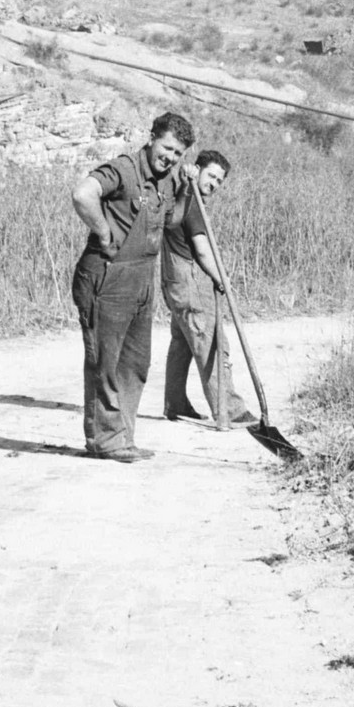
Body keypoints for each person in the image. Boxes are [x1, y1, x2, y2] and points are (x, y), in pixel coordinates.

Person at [69, 111, 195, 462]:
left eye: (178, 153)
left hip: (142, 277)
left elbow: (172, 221)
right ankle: (104, 440)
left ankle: (121, 438)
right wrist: (104, 232)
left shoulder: (168, 179)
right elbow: (83, 194)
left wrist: (186, 188)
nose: (169, 157)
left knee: (135, 362)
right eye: (167, 147)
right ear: (152, 137)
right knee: (104, 362)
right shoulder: (124, 168)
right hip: (108, 275)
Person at [161, 149, 258, 426]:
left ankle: (175, 403)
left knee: (182, 342)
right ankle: (229, 409)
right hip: (189, 281)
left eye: (219, 181)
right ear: (198, 169)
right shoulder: (192, 203)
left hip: (174, 282)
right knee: (212, 341)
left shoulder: (183, 196)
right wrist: (222, 279)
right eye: (211, 176)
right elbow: (203, 253)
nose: (214, 184)